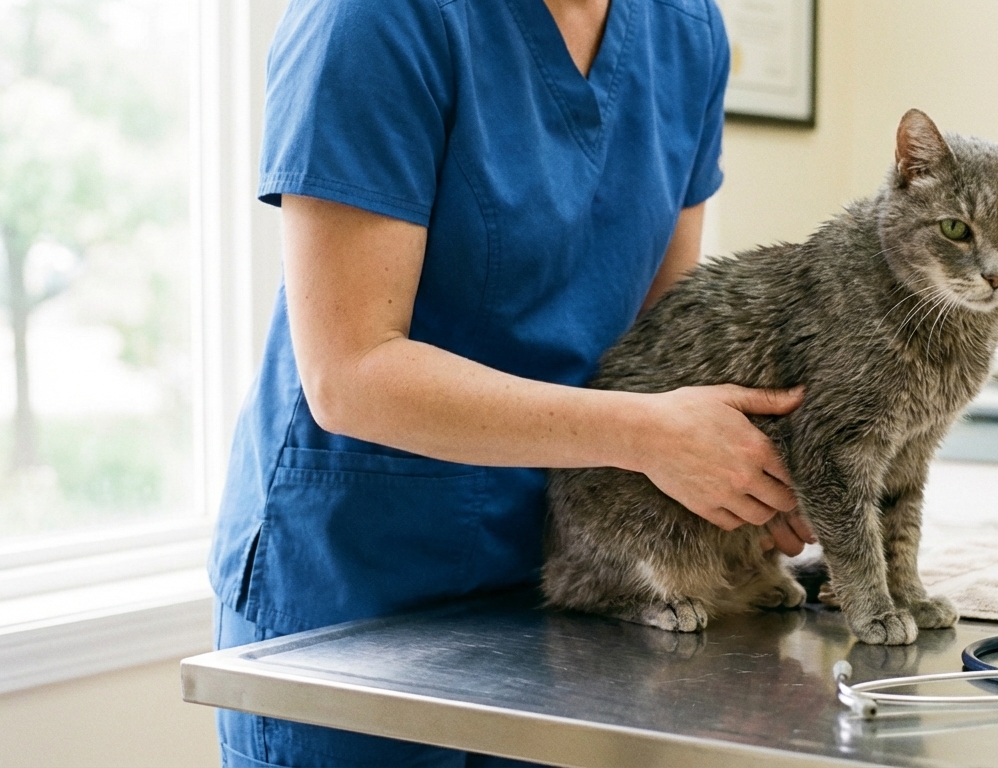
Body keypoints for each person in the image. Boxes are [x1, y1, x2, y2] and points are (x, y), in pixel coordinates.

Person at [207, 0, 815, 765]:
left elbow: (670, 343)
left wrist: (744, 479)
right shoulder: (373, 19)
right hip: (362, 583)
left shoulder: (686, 31)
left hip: (585, 580)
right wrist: (651, 436)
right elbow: (350, 374)